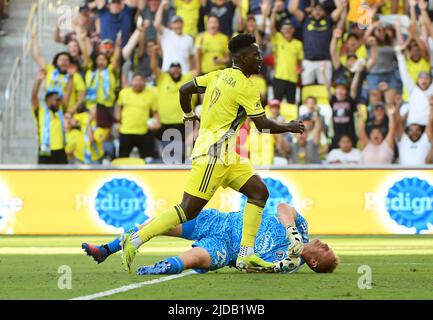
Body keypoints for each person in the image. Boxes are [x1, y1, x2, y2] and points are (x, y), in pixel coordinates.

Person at [119, 33, 305, 273]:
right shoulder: (246, 86)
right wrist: (289, 127)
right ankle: (135, 239)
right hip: (214, 154)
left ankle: (246, 255)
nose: (260, 59)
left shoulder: (218, 75)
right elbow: (262, 125)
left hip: (227, 155)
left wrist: (188, 115)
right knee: (189, 209)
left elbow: (185, 90)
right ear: (241, 58)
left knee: (259, 192)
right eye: (255, 55)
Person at [83, 203, 339, 274]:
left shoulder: (289, 265)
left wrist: (249, 266)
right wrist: (292, 234)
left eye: (326, 251)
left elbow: (254, 268)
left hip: (225, 248)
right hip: (220, 221)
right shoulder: (302, 229)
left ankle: (163, 267)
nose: (325, 244)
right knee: (159, 222)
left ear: (314, 263)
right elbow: (284, 207)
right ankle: (107, 249)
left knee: (196, 257)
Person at [150, 43, 199, 164]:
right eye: (173, 68)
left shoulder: (186, 77)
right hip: (166, 124)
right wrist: (153, 54)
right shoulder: (163, 78)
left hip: (184, 123)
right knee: (169, 156)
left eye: (178, 68)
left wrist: (197, 52)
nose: (176, 70)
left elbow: (197, 70)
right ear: (169, 70)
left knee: (183, 155)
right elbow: (153, 68)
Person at [289, 0, 347, 86]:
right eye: (315, 9)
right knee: (307, 89)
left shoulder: (328, 20)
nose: (317, 12)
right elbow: (292, 9)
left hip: (325, 61)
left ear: (324, 11)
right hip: (308, 61)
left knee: (325, 90)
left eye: (320, 9)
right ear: (311, 11)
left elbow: (340, 8)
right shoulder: (305, 20)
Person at [115, 73, 160, 159]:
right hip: (126, 131)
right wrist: (117, 122)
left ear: (145, 82)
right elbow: (118, 108)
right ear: (131, 81)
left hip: (144, 132)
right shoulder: (123, 93)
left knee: (147, 159)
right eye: (136, 80)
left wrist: (157, 123)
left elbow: (155, 113)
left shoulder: (151, 95)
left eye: (141, 80)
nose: (138, 83)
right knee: (122, 159)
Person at [31, 69, 68, 164]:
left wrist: (70, 77)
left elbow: (67, 94)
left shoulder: (60, 112)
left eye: (59, 100)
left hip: (60, 150)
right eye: (55, 100)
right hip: (45, 149)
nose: (58, 102)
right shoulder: (40, 111)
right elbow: (34, 97)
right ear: (48, 100)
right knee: (44, 176)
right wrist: (38, 80)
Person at [270, 9, 303, 104]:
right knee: (276, 103)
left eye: (289, 28)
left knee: (291, 105)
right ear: (281, 30)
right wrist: (274, 11)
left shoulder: (298, 44)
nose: (287, 31)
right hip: (279, 76)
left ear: (293, 30)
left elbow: (299, 60)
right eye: (285, 28)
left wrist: (300, 68)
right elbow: (271, 27)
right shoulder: (278, 38)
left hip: (292, 78)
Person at [154, 0, 195, 73]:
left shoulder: (189, 38)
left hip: (184, 74)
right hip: (167, 72)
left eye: (180, 23)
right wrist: (161, 5)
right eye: (175, 23)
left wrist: (191, 73)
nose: (178, 25)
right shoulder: (166, 34)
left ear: (183, 25)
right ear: (171, 25)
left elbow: (191, 58)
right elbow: (157, 24)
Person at [394, 96, 433, 165]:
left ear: (422, 132)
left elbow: (430, 122)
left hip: (423, 175)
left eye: (417, 130)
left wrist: (431, 105)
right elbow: (397, 123)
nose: (414, 133)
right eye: (411, 130)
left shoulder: (425, 140)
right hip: (402, 174)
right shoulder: (403, 140)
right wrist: (397, 105)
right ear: (407, 132)